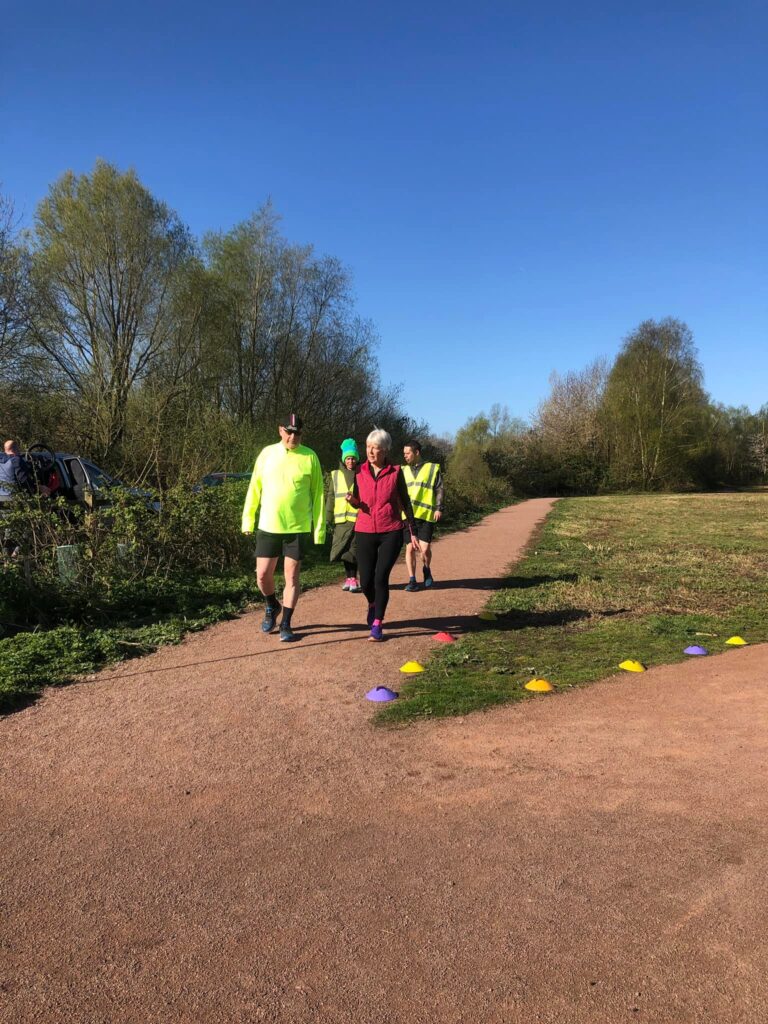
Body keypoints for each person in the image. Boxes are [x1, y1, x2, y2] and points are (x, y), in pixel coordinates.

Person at [241, 413, 325, 642]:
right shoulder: (267, 454)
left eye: (297, 433)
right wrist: (248, 519)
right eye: (289, 432)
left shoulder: (310, 457)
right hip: (268, 525)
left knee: (292, 577)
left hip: (297, 528)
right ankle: (272, 605)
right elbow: (254, 488)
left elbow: (318, 495)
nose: (293, 437)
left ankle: (286, 623)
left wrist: (319, 530)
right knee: (262, 575)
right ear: (280, 430)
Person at [347, 428, 418, 642]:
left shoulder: (396, 472)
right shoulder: (359, 472)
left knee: (380, 578)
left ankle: (377, 623)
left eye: (375, 448)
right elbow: (358, 501)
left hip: (391, 530)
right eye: (368, 447)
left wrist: (412, 531)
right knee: (366, 580)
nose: (370, 452)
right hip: (365, 530)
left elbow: (405, 502)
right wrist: (353, 501)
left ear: (385, 450)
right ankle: (372, 603)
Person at [402, 439, 444, 591]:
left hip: (426, 515)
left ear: (417, 452)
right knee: (409, 548)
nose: (405, 456)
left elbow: (439, 489)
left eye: (408, 453)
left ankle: (426, 569)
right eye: (404, 453)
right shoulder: (402, 471)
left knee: (424, 549)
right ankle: (412, 580)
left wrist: (439, 508)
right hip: (408, 517)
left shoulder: (432, 468)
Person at [326, 437, 362, 593]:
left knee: (354, 550)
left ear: (357, 459)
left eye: (353, 458)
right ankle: (349, 578)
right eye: (348, 458)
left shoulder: (362, 474)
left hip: (357, 520)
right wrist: (328, 517)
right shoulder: (335, 475)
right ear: (343, 459)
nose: (350, 461)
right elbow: (331, 497)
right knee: (343, 551)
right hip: (341, 521)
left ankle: (354, 579)